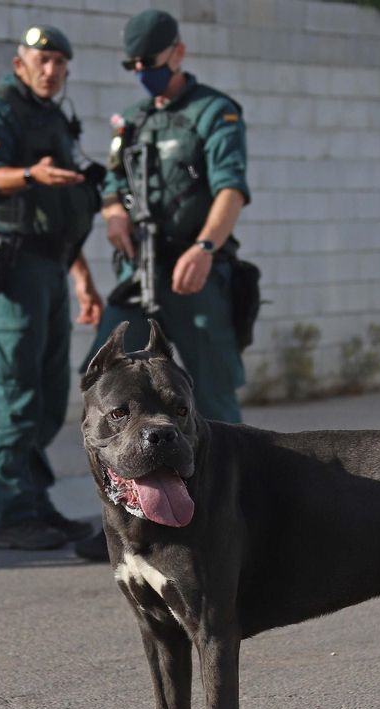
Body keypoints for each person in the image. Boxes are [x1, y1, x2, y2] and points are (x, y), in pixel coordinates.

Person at [73, 9, 253, 563]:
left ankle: (231, 515)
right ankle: (127, 513)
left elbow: (231, 190)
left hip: (192, 271)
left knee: (210, 397)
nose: (141, 72)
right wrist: (111, 215)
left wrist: (205, 247)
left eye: (148, 62)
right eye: (132, 65)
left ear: (177, 53)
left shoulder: (213, 112)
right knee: (109, 395)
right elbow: (110, 181)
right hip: (138, 275)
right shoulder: (128, 121)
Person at [0, 25, 106, 550]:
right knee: (18, 390)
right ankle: (13, 510)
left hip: (52, 264)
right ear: (21, 62)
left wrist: (83, 280)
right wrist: (30, 175)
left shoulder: (54, 118)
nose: (51, 70)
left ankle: (36, 500)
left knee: (48, 395)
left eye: (59, 63)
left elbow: (64, 219)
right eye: (42, 60)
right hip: (16, 267)